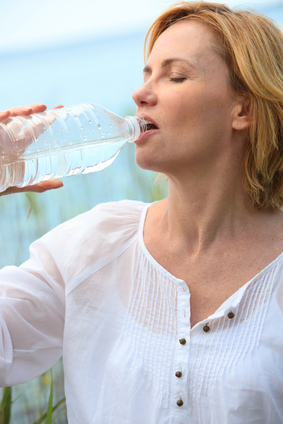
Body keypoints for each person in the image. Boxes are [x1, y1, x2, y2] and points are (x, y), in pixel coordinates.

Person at [0, 1, 283, 422]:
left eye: (176, 75)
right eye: (146, 74)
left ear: (243, 110)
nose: (140, 94)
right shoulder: (96, 244)